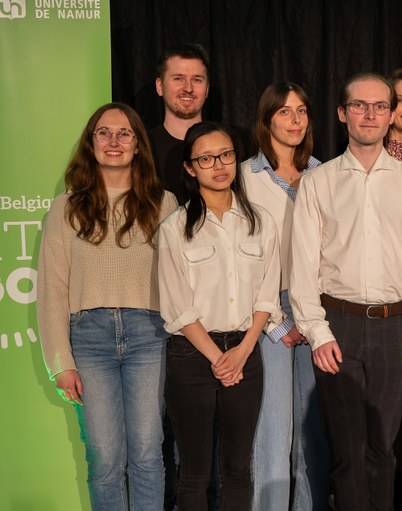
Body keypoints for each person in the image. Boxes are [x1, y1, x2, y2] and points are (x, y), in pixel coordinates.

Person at [289, 72, 402, 511]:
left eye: (380, 106)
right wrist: (317, 333)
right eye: (359, 105)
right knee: (346, 453)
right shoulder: (318, 182)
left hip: (394, 326)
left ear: (392, 115)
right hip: (337, 325)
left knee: (381, 450)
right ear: (343, 113)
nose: (370, 114)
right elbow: (302, 267)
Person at [37, 102, 178, 510]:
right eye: (104, 132)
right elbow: (52, 289)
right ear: (91, 142)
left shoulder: (163, 203)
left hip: (149, 335)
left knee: (147, 452)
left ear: (138, 144)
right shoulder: (65, 207)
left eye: (124, 133)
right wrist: (60, 362)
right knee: (104, 458)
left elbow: (179, 281)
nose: (114, 141)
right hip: (89, 339)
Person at [157, 122, 282, 510]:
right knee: (194, 471)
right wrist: (219, 359)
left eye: (226, 155)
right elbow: (178, 307)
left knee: (238, 468)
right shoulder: (175, 228)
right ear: (190, 168)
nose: (219, 165)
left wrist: (242, 352)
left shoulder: (260, 221)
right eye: (206, 158)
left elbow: (267, 295)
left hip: (245, 352)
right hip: (192, 356)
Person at [241, 82, 329, 511]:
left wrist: (313, 316)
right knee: (273, 433)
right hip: (265, 309)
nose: (295, 120)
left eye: (302, 111)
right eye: (284, 112)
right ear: (267, 119)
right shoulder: (244, 176)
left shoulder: (324, 173)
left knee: (313, 434)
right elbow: (239, 257)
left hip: (318, 306)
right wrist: (277, 322)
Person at [150, 43, 210, 204]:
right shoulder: (142, 147)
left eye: (197, 80)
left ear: (207, 89)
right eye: (178, 78)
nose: (188, 88)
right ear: (160, 86)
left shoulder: (228, 146)